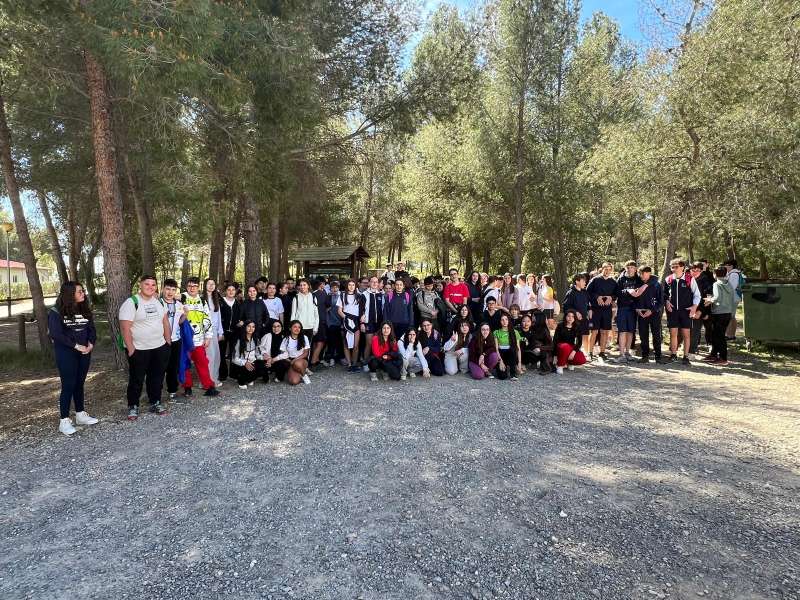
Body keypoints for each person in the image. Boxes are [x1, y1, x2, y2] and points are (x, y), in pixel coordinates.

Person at [119, 275, 173, 420]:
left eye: (153, 285)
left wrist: (168, 343)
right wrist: (131, 349)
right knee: (137, 378)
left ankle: (155, 402)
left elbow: (165, 322)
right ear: (140, 286)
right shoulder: (131, 303)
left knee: (156, 377)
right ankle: (133, 406)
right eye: (147, 284)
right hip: (139, 349)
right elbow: (125, 328)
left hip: (159, 347)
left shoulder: (158, 302)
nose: (150, 287)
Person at [48, 281, 99, 435]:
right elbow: (57, 334)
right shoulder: (56, 312)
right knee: (68, 385)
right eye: (79, 292)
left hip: (84, 352)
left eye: (83, 291)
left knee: (79, 384)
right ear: (70, 294)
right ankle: (64, 421)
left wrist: (91, 343)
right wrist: (76, 346)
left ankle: (80, 414)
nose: (83, 293)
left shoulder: (84, 309)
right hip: (67, 353)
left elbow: (91, 329)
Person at [180, 276, 220, 398]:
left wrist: (208, 337)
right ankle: (187, 387)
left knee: (203, 362)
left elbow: (207, 320)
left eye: (195, 286)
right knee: (185, 364)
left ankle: (209, 386)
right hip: (184, 340)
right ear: (187, 287)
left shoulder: (203, 301)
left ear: (198, 287)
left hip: (199, 340)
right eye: (190, 286)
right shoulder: (181, 298)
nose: (192, 288)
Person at [664, 258, 701, 365]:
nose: (673, 269)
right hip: (673, 311)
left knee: (686, 334)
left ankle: (686, 357)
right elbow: (665, 294)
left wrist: (694, 307)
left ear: (682, 267)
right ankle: (673, 354)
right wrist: (666, 302)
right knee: (673, 333)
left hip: (686, 311)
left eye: (676, 267)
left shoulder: (690, 279)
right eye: (672, 267)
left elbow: (697, 295)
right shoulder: (668, 279)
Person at [704, 266, 736, 366]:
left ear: (715, 274)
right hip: (727, 312)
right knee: (716, 334)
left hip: (719, 313)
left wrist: (709, 300)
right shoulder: (729, 284)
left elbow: (717, 297)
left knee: (719, 336)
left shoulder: (716, 284)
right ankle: (714, 354)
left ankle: (723, 358)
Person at [615, 261, 646, 362]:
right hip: (622, 308)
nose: (630, 269)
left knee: (630, 331)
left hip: (633, 309)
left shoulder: (638, 279)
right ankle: (621, 354)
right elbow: (617, 292)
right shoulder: (621, 278)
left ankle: (628, 352)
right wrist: (627, 290)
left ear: (635, 269)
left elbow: (642, 292)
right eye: (628, 267)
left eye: (632, 267)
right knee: (622, 331)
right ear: (625, 268)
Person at [587, 262, 617, 363]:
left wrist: (611, 297)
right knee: (594, 331)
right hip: (596, 309)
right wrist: (597, 297)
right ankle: (590, 353)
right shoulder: (595, 280)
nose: (607, 271)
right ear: (602, 269)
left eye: (609, 269)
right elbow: (588, 292)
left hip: (607, 310)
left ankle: (602, 353)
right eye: (605, 269)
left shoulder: (613, 281)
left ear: (611, 270)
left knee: (605, 332)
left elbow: (616, 295)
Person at [161, 279, 186, 401]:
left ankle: (172, 390)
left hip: (176, 340)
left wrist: (185, 314)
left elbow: (179, 322)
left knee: (173, 367)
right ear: (162, 289)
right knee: (159, 367)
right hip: (159, 341)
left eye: (173, 289)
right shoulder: (158, 303)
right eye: (167, 289)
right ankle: (156, 392)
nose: (170, 292)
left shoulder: (179, 305)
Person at [635, 266, 664, 364]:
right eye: (640, 273)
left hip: (654, 313)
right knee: (643, 335)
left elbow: (661, 301)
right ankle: (645, 356)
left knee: (656, 335)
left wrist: (652, 310)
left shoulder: (657, 284)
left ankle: (658, 357)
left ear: (649, 273)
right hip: (641, 313)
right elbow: (634, 297)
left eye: (643, 273)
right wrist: (637, 309)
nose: (641, 275)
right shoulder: (638, 283)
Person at [272, 320, 311, 385]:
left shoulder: (304, 337)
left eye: (299, 327)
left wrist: (295, 360)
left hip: (302, 360)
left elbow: (306, 353)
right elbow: (283, 354)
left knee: (297, 364)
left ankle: (304, 375)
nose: (297, 329)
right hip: (290, 360)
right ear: (290, 328)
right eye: (295, 327)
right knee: (294, 381)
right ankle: (298, 372)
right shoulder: (286, 339)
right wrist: (289, 361)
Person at [338, 279, 365, 372]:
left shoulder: (359, 296)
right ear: (347, 286)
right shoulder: (342, 295)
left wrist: (362, 318)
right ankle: (349, 364)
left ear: (355, 286)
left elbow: (362, 310)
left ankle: (354, 364)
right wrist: (346, 319)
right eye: (349, 285)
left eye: (353, 285)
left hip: (356, 321)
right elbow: (339, 310)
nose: (351, 286)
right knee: (345, 344)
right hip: (345, 320)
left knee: (355, 345)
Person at [562, 273, 591, 357]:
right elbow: (566, 307)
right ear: (577, 281)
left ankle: (586, 353)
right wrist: (575, 312)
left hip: (584, 319)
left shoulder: (585, 292)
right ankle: (572, 353)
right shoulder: (570, 293)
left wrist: (590, 310)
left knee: (585, 335)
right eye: (583, 281)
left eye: (585, 281)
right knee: (576, 337)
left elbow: (587, 304)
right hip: (574, 320)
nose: (585, 283)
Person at [202, 278, 224, 386]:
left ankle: (213, 378)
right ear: (205, 285)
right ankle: (209, 381)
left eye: (213, 284)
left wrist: (221, 332)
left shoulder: (216, 299)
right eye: (209, 284)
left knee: (216, 355)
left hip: (214, 331)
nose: (211, 286)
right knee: (210, 356)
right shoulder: (201, 299)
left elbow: (218, 316)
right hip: (205, 331)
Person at [689, 261, 714, 358]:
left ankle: (691, 352)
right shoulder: (687, 279)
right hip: (687, 309)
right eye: (693, 270)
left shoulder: (705, 280)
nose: (695, 272)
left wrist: (701, 311)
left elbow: (708, 298)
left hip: (699, 310)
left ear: (701, 270)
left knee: (695, 330)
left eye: (698, 270)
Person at [230, 321, 265, 388]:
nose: (251, 328)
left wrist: (265, 358)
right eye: (248, 326)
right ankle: (241, 381)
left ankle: (250, 378)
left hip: (252, 363)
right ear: (245, 327)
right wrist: (245, 363)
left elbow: (257, 355)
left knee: (263, 365)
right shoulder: (239, 340)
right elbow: (234, 359)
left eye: (253, 327)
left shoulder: (256, 339)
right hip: (241, 365)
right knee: (246, 370)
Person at [360, 275, 385, 369]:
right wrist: (362, 323)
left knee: (379, 344)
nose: (374, 283)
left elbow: (383, 309)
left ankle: (378, 363)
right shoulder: (364, 295)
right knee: (369, 343)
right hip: (368, 322)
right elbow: (361, 310)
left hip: (379, 323)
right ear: (369, 283)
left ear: (378, 284)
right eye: (372, 282)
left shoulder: (381, 295)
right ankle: (366, 364)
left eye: (376, 282)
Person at [219, 283, 242, 383]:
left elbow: (242, 316)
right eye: (229, 289)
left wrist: (241, 322)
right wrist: (220, 332)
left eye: (233, 290)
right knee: (221, 353)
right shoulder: (220, 302)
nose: (231, 291)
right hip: (223, 332)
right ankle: (222, 373)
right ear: (225, 291)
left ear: (236, 291)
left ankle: (233, 373)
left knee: (234, 352)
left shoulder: (238, 303)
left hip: (235, 331)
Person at [553, 310, 587, 374]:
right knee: (565, 346)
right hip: (560, 346)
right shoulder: (560, 326)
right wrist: (555, 355)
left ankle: (568, 362)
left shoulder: (577, 326)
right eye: (568, 316)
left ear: (575, 318)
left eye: (572, 316)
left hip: (571, 347)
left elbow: (579, 342)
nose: (570, 318)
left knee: (582, 359)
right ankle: (560, 365)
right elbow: (555, 340)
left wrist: (574, 351)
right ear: (565, 317)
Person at [290, 279, 319, 345]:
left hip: (310, 327)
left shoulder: (313, 297)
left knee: (308, 347)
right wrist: (292, 327)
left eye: (304, 285)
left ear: (308, 286)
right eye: (301, 285)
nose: (302, 287)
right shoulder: (296, 297)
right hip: (299, 327)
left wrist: (315, 327)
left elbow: (316, 314)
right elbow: (293, 314)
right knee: (298, 347)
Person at [493, 313, 522, 380]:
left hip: (511, 355)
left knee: (512, 350)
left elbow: (518, 349)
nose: (504, 321)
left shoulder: (515, 332)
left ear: (509, 320)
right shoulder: (496, 332)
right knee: (502, 377)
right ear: (500, 322)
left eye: (506, 319)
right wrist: (500, 361)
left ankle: (513, 374)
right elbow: (496, 349)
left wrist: (519, 363)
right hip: (501, 354)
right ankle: (505, 368)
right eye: (502, 320)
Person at [323, 281, 344, 367]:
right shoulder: (328, 297)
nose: (334, 289)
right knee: (331, 341)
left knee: (340, 341)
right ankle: (332, 358)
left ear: (338, 288)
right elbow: (325, 310)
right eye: (333, 287)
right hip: (331, 322)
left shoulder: (342, 296)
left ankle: (341, 357)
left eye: (336, 287)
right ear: (330, 288)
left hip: (340, 321)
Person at [309, 278, 329, 370]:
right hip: (321, 320)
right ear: (320, 285)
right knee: (320, 342)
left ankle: (315, 359)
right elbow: (329, 305)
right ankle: (313, 362)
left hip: (311, 321)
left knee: (314, 342)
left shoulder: (310, 295)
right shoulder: (323, 294)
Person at [723, 259, 743, 340]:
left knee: (729, 316)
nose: (725, 266)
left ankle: (729, 335)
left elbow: (731, 287)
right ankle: (731, 335)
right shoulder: (732, 273)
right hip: (734, 297)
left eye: (726, 265)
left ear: (731, 266)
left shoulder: (734, 274)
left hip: (733, 298)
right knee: (732, 316)